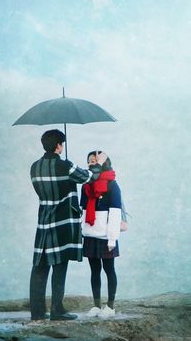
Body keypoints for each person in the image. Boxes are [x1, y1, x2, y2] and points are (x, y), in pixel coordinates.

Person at [29, 130, 108, 321]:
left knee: (39, 266)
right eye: (61, 144)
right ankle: (57, 310)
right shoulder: (65, 165)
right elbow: (89, 177)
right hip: (63, 222)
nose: (62, 147)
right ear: (58, 146)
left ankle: (37, 313)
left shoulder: (35, 167)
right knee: (60, 264)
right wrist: (98, 164)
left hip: (43, 221)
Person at [80, 151, 122, 318]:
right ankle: (96, 306)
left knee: (109, 269)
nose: (91, 164)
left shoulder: (112, 185)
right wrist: (80, 232)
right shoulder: (86, 186)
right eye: (89, 161)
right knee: (94, 270)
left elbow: (115, 213)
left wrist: (113, 237)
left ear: (103, 163)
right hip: (91, 233)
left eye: (95, 161)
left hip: (106, 235)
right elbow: (83, 211)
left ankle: (110, 306)